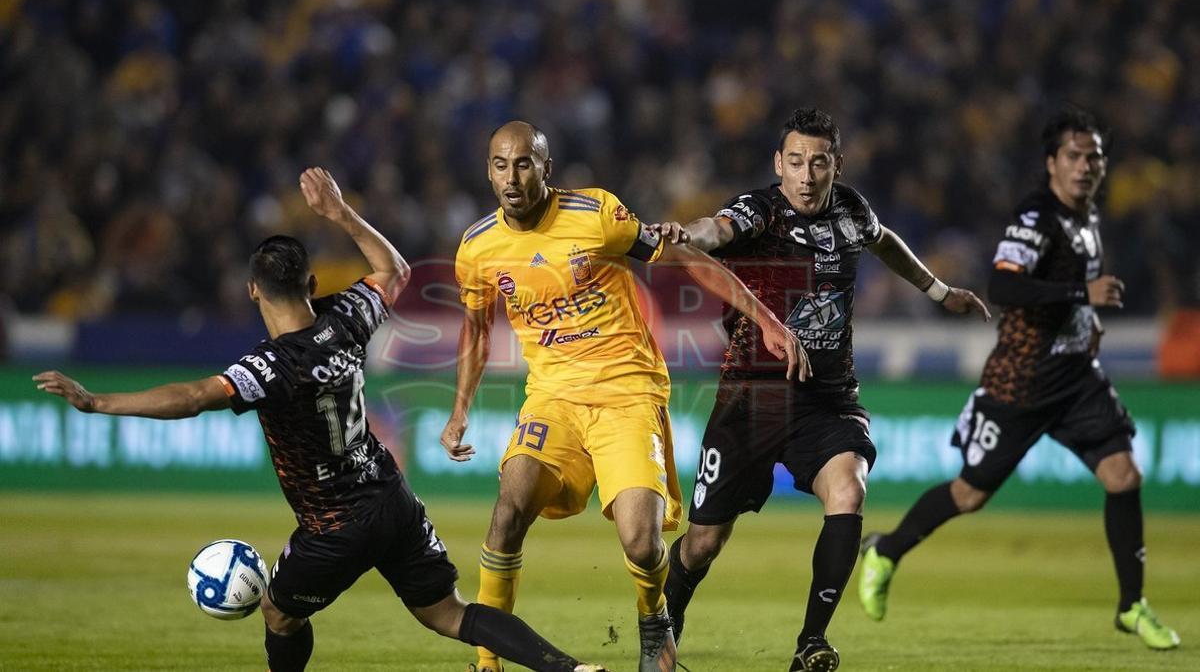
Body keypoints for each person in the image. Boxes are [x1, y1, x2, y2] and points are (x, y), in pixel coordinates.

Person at [34, 168, 608, 672]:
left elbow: (190, 396)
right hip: (391, 497)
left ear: (252, 290)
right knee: (449, 613)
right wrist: (340, 213)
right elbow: (394, 270)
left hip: (335, 525)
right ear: (311, 284)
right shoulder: (346, 317)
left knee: (279, 614)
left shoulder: (270, 365)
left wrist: (98, 402)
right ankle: (569, 667)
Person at [441, 121, 806, 672]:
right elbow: (476, 329)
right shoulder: (477, 247)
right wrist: (459, 409)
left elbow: (683, 256)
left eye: (523, 164)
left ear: (546, 168)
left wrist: (765, 318)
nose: (511, 178)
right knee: (507, 512)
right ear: (488, 170)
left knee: (640, 542)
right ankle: (486, 661)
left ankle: (653, 615)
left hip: (627, 393)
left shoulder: (598, 217)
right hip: (553, 399)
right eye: (500, 165)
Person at [653, 108, 990, 672]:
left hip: (827, 396)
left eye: (818, 162)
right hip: (751, 397)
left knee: (849, 490)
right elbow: (713, 231)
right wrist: (685, 233)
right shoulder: (761, 211)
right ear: (777, 164)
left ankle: (811, 642)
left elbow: (884, 243)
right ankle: (661, 632)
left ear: (836, 164)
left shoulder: (853, 209)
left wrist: (938, 289)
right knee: (704, 542)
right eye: (795, 162)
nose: (806, 175)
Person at [857, 108, 1180, 651]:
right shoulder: (1035, 219)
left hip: (1077, 379)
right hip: (1021, 383)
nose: (1084, 166)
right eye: (1074, 156)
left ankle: (1131, 606)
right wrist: (1083, 296)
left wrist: (1085, 320)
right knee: (969, 493)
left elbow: (1061, 291)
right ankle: (885, 551)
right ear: (1051, 163)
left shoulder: (1087, 219)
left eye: (1093, 157)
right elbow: (1004, 286)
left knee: (1124, 475)